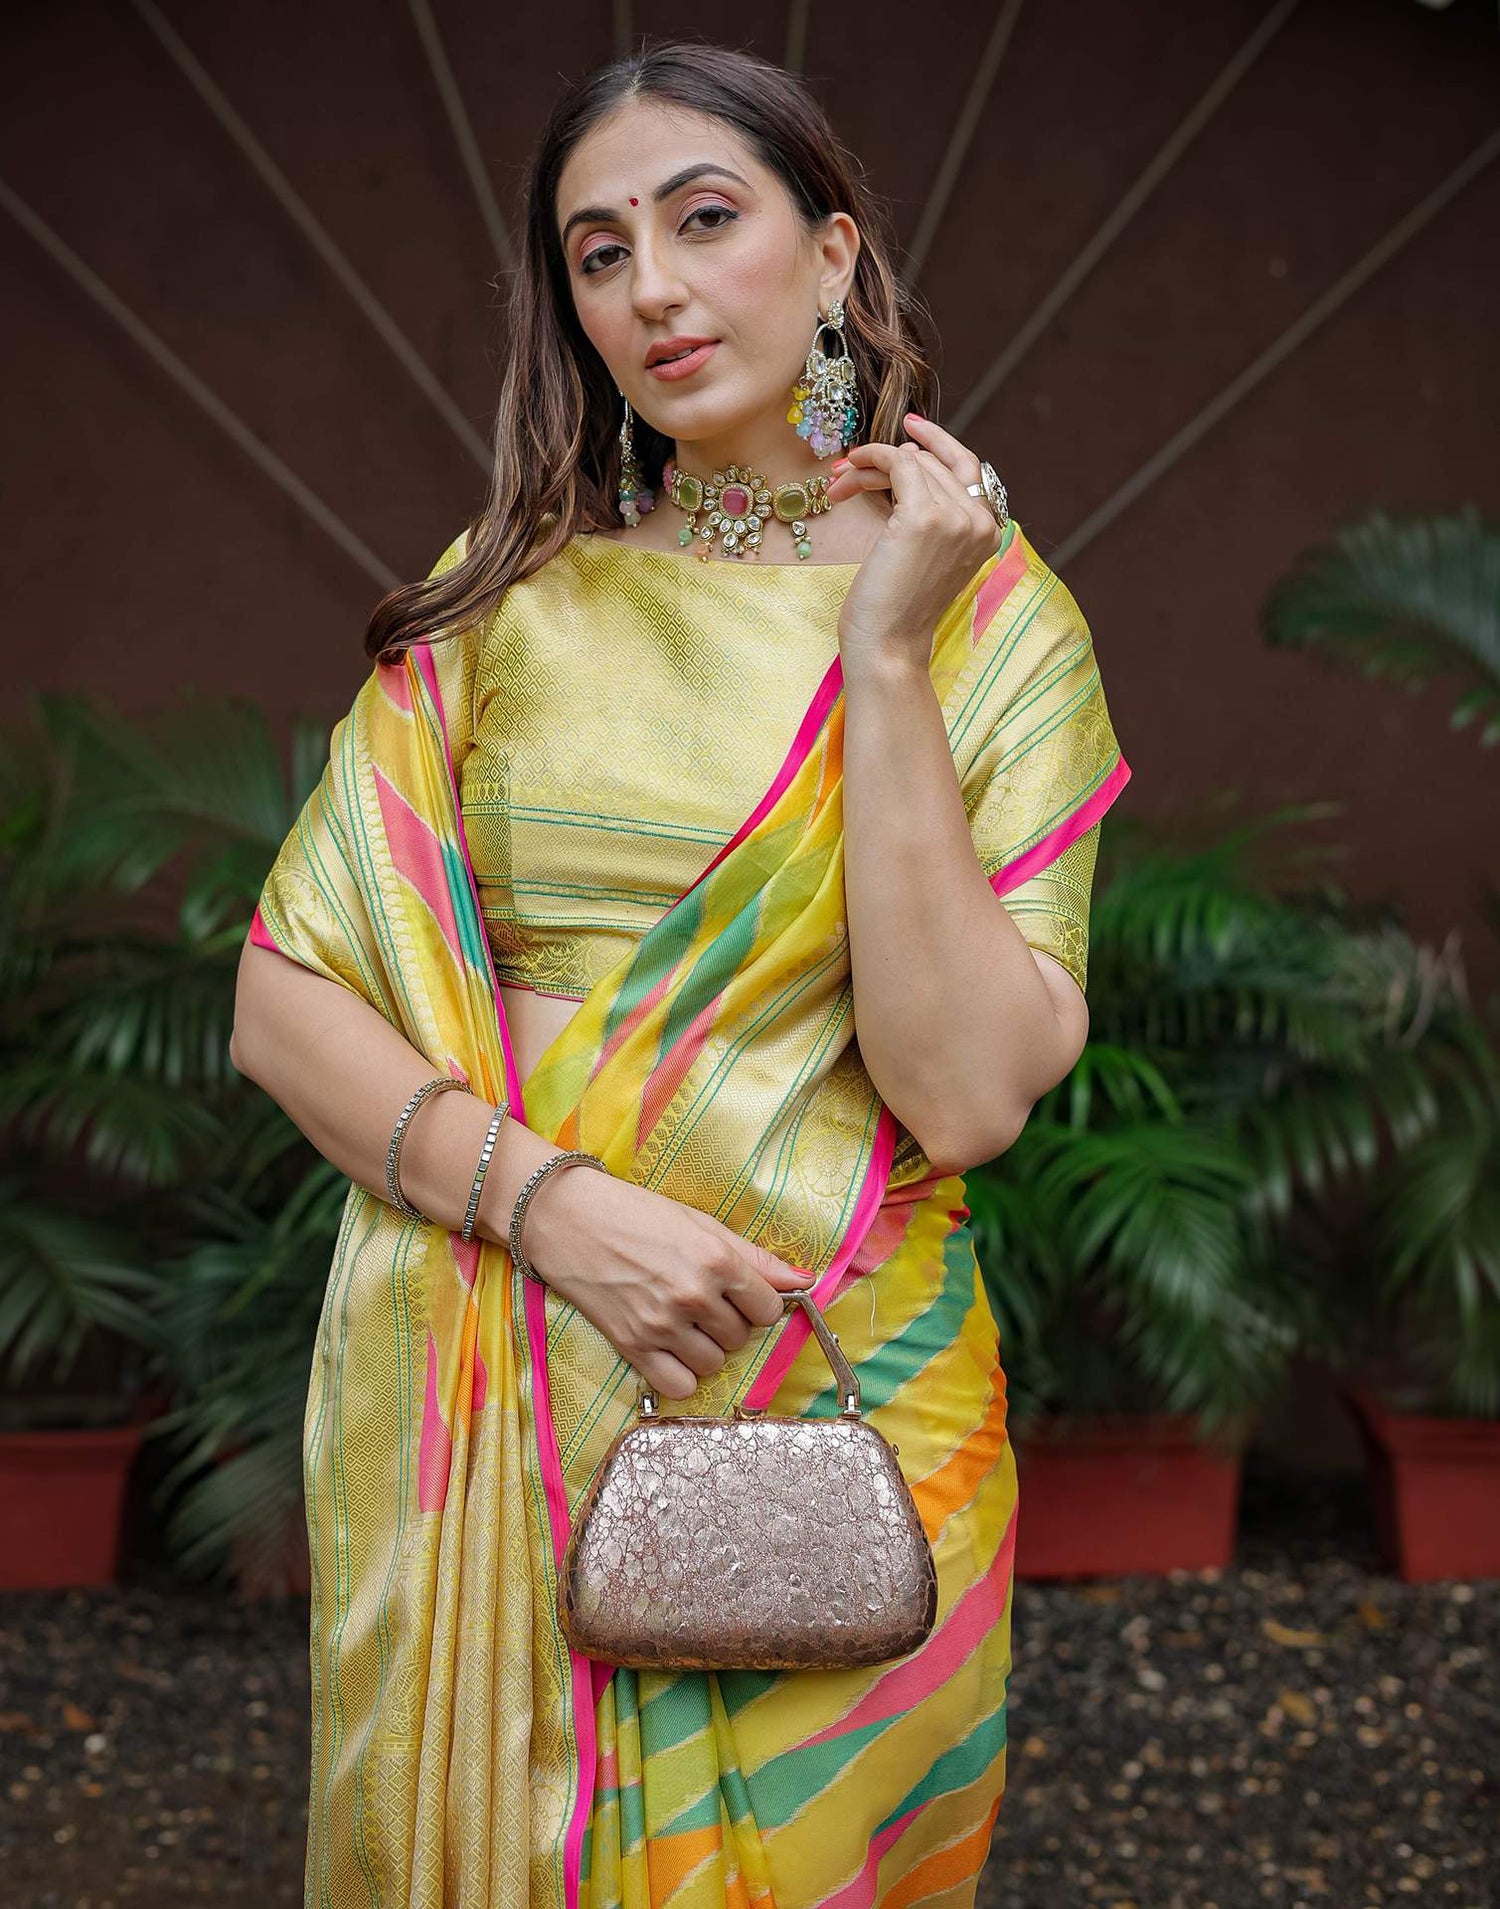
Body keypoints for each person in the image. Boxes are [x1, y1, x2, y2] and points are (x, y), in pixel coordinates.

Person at [230, 38, 1131, 1909]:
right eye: (597, 250)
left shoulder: (996, 628)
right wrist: (559, 1210)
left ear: (836, 260)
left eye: (704, 220)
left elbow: (963, 1093)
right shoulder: (511, 595)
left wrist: (884, 651)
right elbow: (280, 999)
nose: (649, 286)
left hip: (841, 1391)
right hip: (512, 1377)